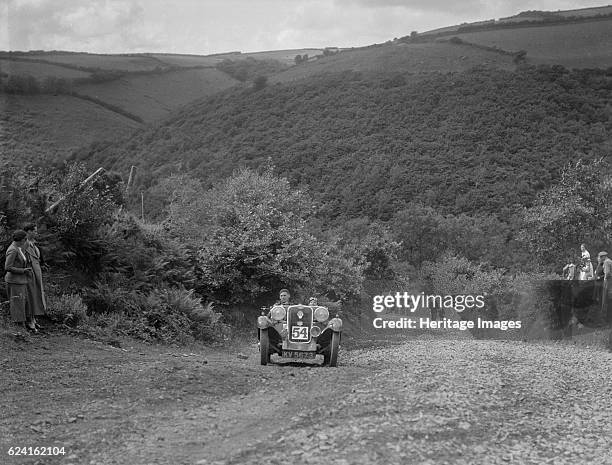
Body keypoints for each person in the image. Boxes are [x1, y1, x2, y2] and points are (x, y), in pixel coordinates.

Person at [4, 230, 35, 331]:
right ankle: (19, 329)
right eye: (25, 239)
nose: (26, 240)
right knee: (17, 304)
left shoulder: (19, 248)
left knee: (23, 303)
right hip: (14, 282)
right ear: (21, 240)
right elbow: (7, 267)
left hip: (21, 281)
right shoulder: (13, 250)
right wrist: (23, 270)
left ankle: (24, 325)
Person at [23, 223, 46, 328]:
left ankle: (33, 318)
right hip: (29, 272)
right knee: (31, 295)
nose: (36, 233)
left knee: (36, 294)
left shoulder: (33, 243)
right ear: (29, 231)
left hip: (36, 272)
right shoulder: (24, 244)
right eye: (34, 231)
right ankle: (29, 319)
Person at [598, 251, 612, 322]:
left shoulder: (606, 262)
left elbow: (608, 273)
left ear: (603, 256)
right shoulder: (610, 261)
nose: (600, 259)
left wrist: (605, 280)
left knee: (605, 299)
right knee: (609, 299)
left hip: (608, 282)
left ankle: (606, 318)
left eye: (600, 257)